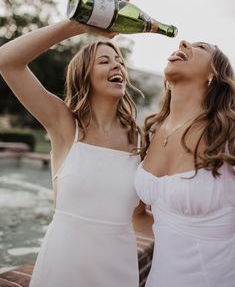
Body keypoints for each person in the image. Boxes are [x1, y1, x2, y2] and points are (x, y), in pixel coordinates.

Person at [0, 19, 143, 287]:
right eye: (104, 61)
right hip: (63, 264)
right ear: (84, 75)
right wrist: (78, 25)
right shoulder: (65, 125)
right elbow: (6, 61)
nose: (117, 65)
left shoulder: (140, 139)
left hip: (118, 269)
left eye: (119, 61)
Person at [135, 40, 235, 287]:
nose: (183, 43)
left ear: (214, 73)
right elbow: (143, 218)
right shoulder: (150, 133)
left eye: (200, 47)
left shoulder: (228, 135)